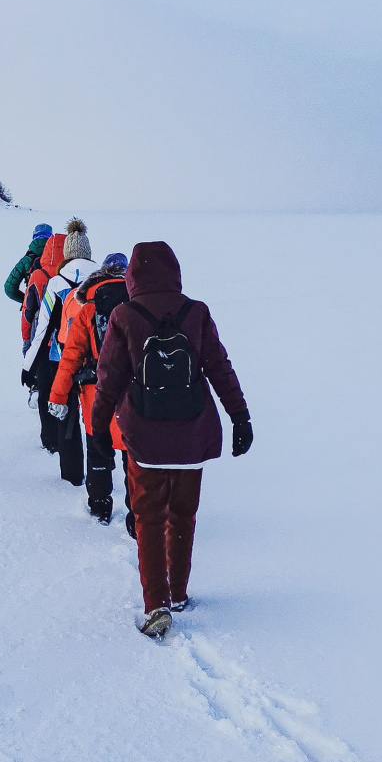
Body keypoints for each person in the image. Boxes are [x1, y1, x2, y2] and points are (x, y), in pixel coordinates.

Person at [90, 241, 252, 639]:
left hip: (144, 438)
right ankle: (177, 592)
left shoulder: (124, 316)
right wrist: (240, 416)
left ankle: (156, 603)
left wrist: (98, 430)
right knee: (183, 515)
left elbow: (107, 378)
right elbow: (220, 367)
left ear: (132, 278)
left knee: (148, 519)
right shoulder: (196, 312)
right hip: (192, 436)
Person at [48, 253, 130, 521]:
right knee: (133, 456)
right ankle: (137, 513)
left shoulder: (88, 310)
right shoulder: (140, 307)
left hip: (96, 395)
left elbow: (70, 356)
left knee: (97, 452)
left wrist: (58, 395)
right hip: (134, 396)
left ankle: (99, 507)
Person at [38, 219, 99, 486]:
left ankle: (72, 474)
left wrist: (29, 365)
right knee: (95, 416)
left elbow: (42, 327)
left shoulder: (55, 282)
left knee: (67, 415)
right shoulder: (102, 280)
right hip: (95, 359)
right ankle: (99, 474)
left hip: (60, 356)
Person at [21, 231, 67, 449]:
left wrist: (26, 341)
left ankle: (49, 439)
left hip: (41, 343)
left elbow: (27, 312)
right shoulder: (69, 275)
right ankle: (66, 435)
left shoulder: (37, 276)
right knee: (66, 390)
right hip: (67, 343)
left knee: (45, 389)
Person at [4, 223, 53, 302]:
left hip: (33, 304)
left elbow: (9, 288)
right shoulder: (57, 257)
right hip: (55, 304)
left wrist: (26, 300)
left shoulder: (26, 260)